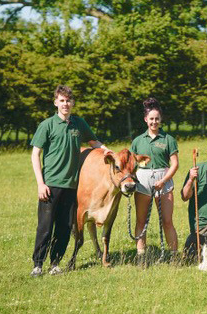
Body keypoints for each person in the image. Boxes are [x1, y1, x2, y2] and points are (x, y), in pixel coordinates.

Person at [29, 85, 111, 276]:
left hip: (72, 185)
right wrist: (41, 184)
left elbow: (93, 142)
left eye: (68, 101)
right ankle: (38, 265)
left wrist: (107, 150)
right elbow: (35, 154)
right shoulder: (47, 125)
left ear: (73, 103)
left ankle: (55, 263)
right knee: (45, 227)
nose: (66, 104)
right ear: (56, 102)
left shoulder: (78, 123)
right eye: (62, 101)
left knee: (64, 228)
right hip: (51, 185)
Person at [130, 98, 179, 261]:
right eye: (151, 119)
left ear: (161, 119)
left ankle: (173, 257)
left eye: (157, 118)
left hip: (163, 181)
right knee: (141, 221)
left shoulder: (168, 139)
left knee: (167, 221)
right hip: (143, 181)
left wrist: (164, 180)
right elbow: (131, 164)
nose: (154, 122)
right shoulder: (137, 141)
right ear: (146, 120)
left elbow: (175, 164)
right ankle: (141, 257)